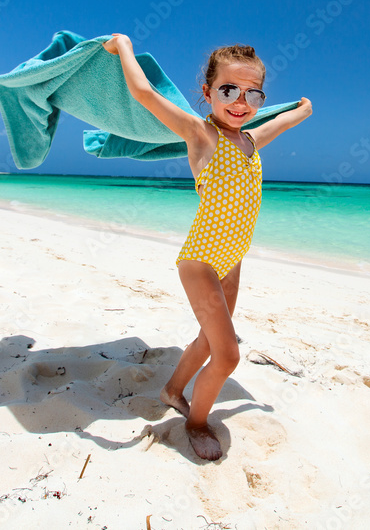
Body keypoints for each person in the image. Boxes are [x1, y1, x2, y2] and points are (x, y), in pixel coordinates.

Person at [103, 33, 312, 460]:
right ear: (208, 93)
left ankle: (172, 389)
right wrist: (123, 46)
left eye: (253, 93)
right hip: (200, 260)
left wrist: (303, 111)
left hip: (232, 260)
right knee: (228, 354)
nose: (241, 102)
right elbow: (143, 93)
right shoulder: (199, 133)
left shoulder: (250, 140)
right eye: (229, 90)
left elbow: (278, 123)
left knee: (206, 339)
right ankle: (195, 422)